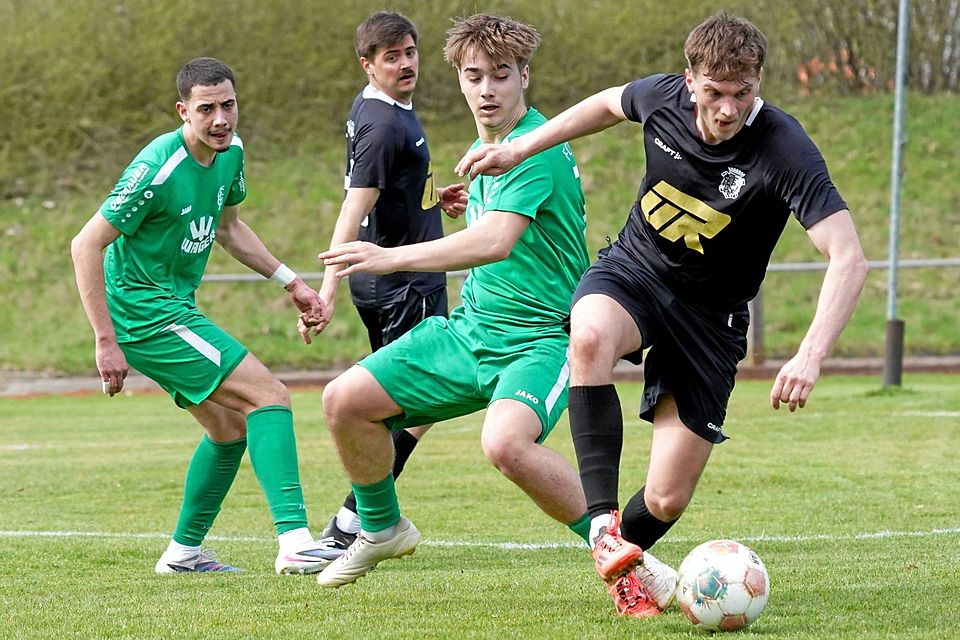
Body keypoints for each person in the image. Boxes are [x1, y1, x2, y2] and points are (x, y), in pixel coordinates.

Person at [457, 12, 869, 618]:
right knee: (589, 336)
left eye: (742, 94)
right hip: (636, 271)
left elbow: (849, 257)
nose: (726, 109)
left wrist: (810, 354)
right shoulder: (662, 97)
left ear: (758, 83)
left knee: (667, 498)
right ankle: (603, 528)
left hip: (710, 319)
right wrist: (518, 147)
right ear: (689, 79)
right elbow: (605, 104)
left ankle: (628, 561)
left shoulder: (784, 146)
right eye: (714, 92)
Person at [308, 13, 595, 588]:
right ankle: (380, 528)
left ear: (524, 77)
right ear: (460, 80)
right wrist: (459, 203)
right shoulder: (482, 150)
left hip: (539, 340)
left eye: (501, 75)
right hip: (470, 332)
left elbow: (495, 243)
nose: (487, 89)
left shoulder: (532, 148)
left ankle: (619, 550)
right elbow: (501, 231)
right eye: (474, 76)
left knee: (506, 444)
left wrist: (390, 256)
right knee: (344, 401)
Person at [70, 57, 333, 575]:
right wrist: (105, 340)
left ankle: (182, 554)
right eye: (207, 109)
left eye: (228, 105)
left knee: (229, 429)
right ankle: (296, 541)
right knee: (269, 395)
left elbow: (229, 229)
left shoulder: (231, 153)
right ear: (183, 111)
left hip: (174, 309)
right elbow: (85, 244)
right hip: (145, 316)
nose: (221, 119)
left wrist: (293, 283)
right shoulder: (156, 168)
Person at [308, 11, 468, 560]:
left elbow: (384, 187)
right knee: (412, 405)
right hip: (405, 286)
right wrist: (327, 290)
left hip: (397, 279)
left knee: (402, 403)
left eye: (410, 53)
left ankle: (358, 517)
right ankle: (355, 519)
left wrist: (430, 198)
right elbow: (353, 208)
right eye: (391, 57)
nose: (405, 64)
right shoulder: (384, 124)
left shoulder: (376, 107)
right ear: (367, 64)